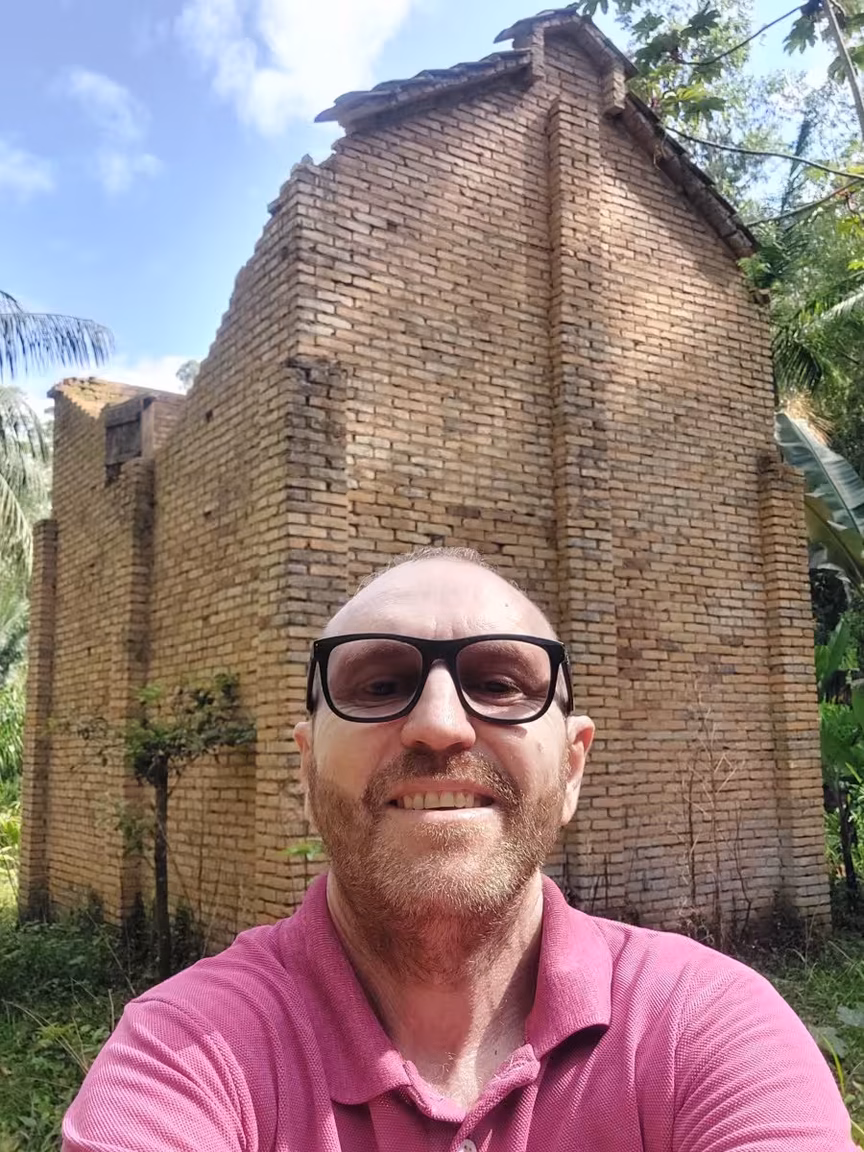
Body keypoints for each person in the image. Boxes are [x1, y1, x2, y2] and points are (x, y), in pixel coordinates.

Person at [63, 548, 855, 1151]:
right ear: (306, 771)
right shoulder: (186, 1052)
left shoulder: (704, 1027)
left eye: (501, 683)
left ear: (572, 767)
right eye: (378, 685)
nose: (440, 725)